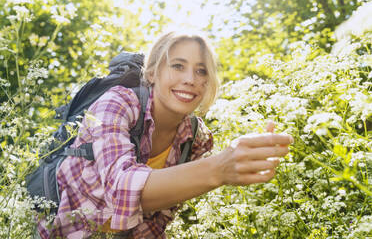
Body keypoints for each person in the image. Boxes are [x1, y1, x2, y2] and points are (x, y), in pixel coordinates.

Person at [36, 31, 293, 238]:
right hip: (60, 229)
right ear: (152, 73)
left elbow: (155, 221)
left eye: (201, 70)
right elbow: (121, 188)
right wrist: (219, 169)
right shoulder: (116, 103)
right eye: (178, 66)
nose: (190, 79)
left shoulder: (197, 138)